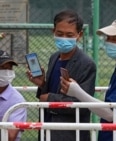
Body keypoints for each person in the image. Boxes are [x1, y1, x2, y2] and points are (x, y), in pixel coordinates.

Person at [60, 16, 116, 141]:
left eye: (115, 39)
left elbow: (111, 113)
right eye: (108, 38)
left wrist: (77, 92)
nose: (109, 42)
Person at [26, 9, 96, 141]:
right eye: (60, 34)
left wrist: (49, 98)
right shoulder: (54, 58)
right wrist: (42, 84)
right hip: (47, 127)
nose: (64, 38)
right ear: (53, 32)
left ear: (79, 35)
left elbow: (83, 104)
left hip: (69, 133)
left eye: (69, 35)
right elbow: (48, 92)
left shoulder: (86, 64)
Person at [0, 50, 27, 141]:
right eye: (2, 68)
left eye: (9, 68)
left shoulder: (17, 101)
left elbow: (10, 136)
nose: (6, 72)